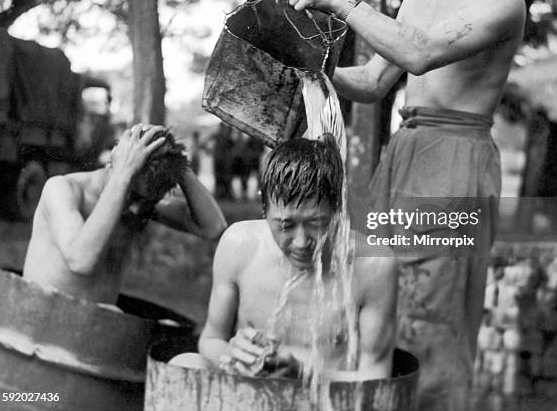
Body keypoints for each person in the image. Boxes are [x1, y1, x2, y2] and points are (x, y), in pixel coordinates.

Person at [275, 0, 526, 409]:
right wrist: (307, 67)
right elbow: (371, 83)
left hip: (458, 159)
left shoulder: (503, 1)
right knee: (378, 293)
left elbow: (420, 53)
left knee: (434, 312)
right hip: (405, 152)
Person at [170, 135, 397, 381]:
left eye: (317, 223)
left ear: (339, 212)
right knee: (183, 364)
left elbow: (376, 375)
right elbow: (212, 338)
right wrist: (233, 355)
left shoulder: (374, 264)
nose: (301, 242)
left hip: (327, 399)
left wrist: (304, 374)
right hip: (249, 394)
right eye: (285, 225)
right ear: (264, 210)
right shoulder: (239, 245)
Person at [23, 123, 227, 305]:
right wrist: (124, 174)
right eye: (133, 195)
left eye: (147, 201)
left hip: (94, 328)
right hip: (38, 321)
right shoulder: (63, 189)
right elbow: (80, 261)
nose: (137, 209)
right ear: (117, 165)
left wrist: (179, 164)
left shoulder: (142, 201)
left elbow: (212, 227)